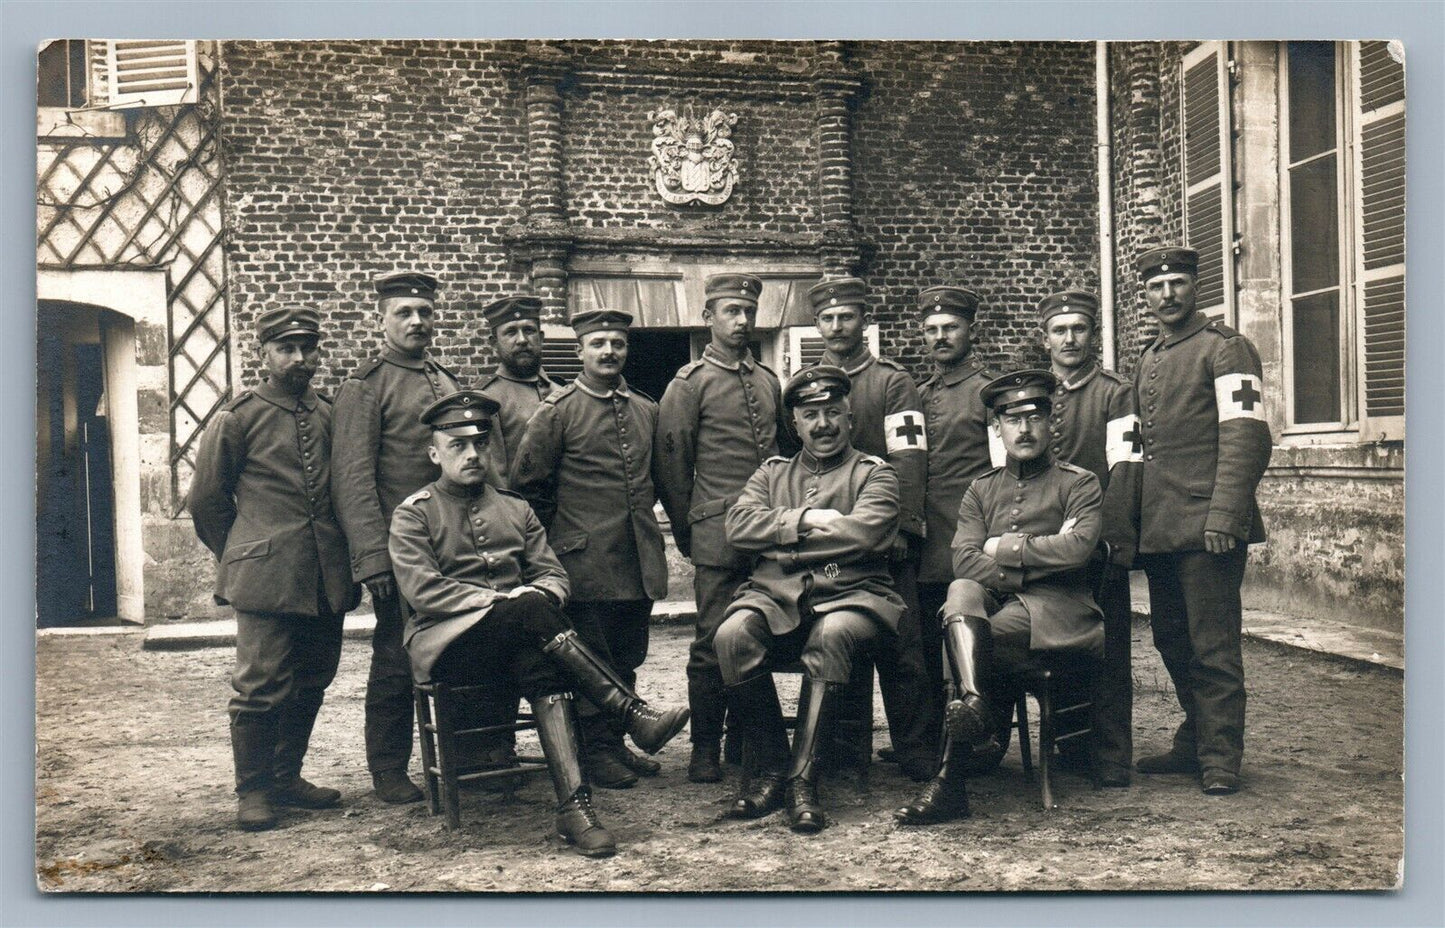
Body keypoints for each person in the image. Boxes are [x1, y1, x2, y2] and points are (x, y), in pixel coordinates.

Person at [388, 390, 689, 857]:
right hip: (448, 647)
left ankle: (575, 809)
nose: (472, 455)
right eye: (458, 446)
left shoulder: (515, 508)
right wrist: (505, 599)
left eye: (480, 444)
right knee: (528, 610)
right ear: (434, 453)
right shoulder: (414, 514)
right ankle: (629, 711)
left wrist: (543, 593)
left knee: (544, 668)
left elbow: (552, 573)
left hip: (518, 639)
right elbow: (423, 590)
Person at [896, 370, 1105, 824]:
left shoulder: (1079, 484)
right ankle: (974, 701)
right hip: (1004, 606)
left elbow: (1078, 550)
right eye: (1013, 420)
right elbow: (963, 561)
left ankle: (951, 779)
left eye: (1034, 417)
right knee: (961, 591)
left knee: (965, 634)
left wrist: (1002, 548)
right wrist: (1036, 557)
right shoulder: (981, 488)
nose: (1024, 429)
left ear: (1052, 424)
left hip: (1059, 610)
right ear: (998, 429)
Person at [189, 305, 360, 831]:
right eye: (287, 348)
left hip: (324, 576)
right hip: (265, 578)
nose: (299, 359)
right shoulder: (238, 418)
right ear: (264, 353)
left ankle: (287, 776)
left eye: (308, 348)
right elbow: (206, 503)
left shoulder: (332, 413)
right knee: (260, 685)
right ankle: (254, 791)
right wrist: (245, 555)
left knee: (313, 678)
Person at [716, 366, 905, 833]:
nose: (822, 424)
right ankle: (769, 771)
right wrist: (811, 519)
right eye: (810, 415)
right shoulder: (771, 472)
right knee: (731, 635)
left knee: (833, 633)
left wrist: (781, 541)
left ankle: (804, 781)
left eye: (832, 413)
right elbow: (737, 526)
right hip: (775, 597)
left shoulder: (874, 474)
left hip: (854, 596)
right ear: (794, 424)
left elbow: (865, 533)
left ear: (849, 417)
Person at [1131, 247, 1272, 796]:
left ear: (1195, 287)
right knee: (1171, 637)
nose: (1167, 294)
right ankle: (1195, 737)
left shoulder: (1227, 348)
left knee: (1213, 645)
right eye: (1157, 286)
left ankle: (1220, 757)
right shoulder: (1149, 358)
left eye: (1178, 283)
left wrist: (1225, 514)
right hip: (1162, 528)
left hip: (1209, 526)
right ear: (1146, 295)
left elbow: (1247, 436)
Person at [510, 308, 671, 789]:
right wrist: (552, 553)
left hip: (636, 557)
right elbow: (528, 491)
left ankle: (616, 740)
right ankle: (595, 750)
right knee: (593, 657)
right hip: (583, 560)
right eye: (598, 343)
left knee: (627, 655)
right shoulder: (556, 413)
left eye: (617, 343)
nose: (608, 352)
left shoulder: (646, 410)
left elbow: (655, 480)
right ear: (580, 351)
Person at [331, 271, 462, 804]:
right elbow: (353, 478)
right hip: (402, 552)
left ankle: (463, 756)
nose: (417, 321)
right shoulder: (367, 386)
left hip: (454, 547)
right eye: (405, 312)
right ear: (381, 319)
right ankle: (388, 768)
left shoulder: (445, 380)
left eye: (425, 312)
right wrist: (373, 560)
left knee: (457, 652)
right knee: (394, 659)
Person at [655, 272, 792, 783]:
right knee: (712, 640)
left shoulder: (767, 381)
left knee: (757, 633)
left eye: (747, 312)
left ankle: (746, 739)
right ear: (708, 318)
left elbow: (781, 455)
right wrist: (691, 531)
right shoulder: (689, 384)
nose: (741, 321)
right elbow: (672, 467)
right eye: (730, 311)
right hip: (718, 535)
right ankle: (705, 747)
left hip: (768, 534)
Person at [808, 277, 936, 782]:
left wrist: (903, 528)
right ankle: (846, 750)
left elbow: (909, 457)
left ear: (864, 321)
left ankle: (916, 747)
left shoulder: (891, 382)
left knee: (903, 648)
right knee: (843, 639)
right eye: (827, 318)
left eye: (847, 317)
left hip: (885, 537)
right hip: (836, 539)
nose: (838, 327)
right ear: (817, 325)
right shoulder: (809, 383)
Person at [1037, 289, 1143, 788]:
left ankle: (1111, 757)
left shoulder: (1114, 392)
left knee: (1108, 647)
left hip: (1096, 544)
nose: (1070, 338)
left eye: (1079, 328)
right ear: (1046, 340)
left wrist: (1114, 540)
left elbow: (1125, 467)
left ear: (1093, 335)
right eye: (1060, 330)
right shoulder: (1034, 394)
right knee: (1054, 643)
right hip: (1044, 546)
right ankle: (1069, 748)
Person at [914, 285, 1001, 764]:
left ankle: (981, 738)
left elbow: (1005, 471)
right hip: (928, 541)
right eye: (932, 330)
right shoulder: (919, 394)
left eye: (950, 328)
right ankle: (936, 741)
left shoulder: (989, 394)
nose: (940, 337)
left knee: (969, 642)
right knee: (928, 645)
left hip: (971, 539)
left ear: (971, 330)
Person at [477, 294, 560, 488]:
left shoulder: (561, 392)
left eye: (529, 330)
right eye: (511, 332)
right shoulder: (487, 398)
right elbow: (494, 475)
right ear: (494, 344)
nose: (522, 340)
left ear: (541, 338)